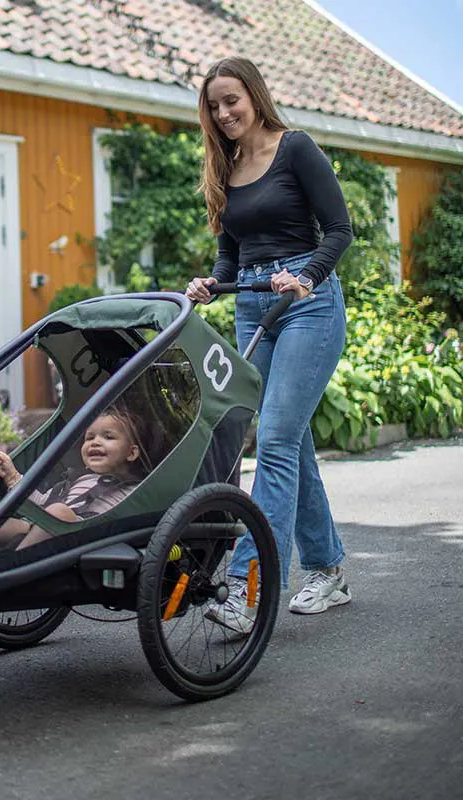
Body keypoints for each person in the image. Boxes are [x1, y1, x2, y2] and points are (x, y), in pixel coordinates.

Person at [185, 56, 353, 634]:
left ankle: (248, 588)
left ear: (254, 95)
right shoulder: (224, 167)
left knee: (276, 439)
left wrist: (306, 276)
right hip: (254, 304)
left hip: (308, 304)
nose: (224, 112)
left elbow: (339, 230)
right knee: (291, 442)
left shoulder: (296, 148)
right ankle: (327, 569)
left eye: (231, 99)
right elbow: (234, 250)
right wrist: (213, 280)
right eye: (214, 105)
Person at [0, 407, 148, 564]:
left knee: (59, 511)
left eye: (108, 437)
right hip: (50, 529)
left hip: (86, 538)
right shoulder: (76, 481)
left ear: (131, 453)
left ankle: (12, 567)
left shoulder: (134, 489)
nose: (95, 442)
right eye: (89, 438)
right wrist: (12, 476)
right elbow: (42, 504)